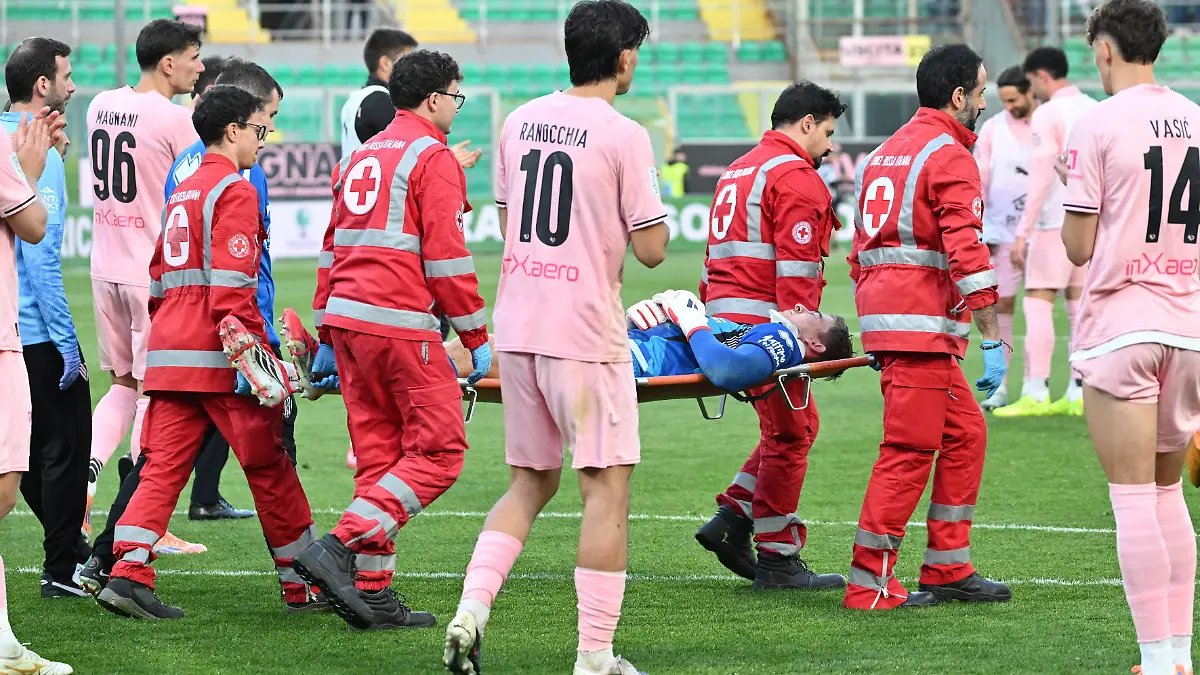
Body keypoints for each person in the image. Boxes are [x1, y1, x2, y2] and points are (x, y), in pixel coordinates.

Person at [441, 4, 668, 673]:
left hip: (518, 326)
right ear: (624, 57)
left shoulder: (518, 121)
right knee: (606, 490)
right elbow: (653, 248)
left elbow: (508, 221)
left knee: (529, 482)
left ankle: (472, 610)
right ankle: (595, 657)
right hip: (584, 332)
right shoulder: (624, 133)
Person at [95, 85, 318, 620]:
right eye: (259, 129)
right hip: (217, 355)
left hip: (170, 350)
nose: (264, 138)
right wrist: (257, 358)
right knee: (269, 465)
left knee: (162, 467)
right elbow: (233, 290)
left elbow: (157, 277)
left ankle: (127, 573)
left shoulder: (184, 189)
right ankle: (302, 584)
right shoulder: (234, 190)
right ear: (233, 130)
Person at [294, 49, 491, 632]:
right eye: (455, 97)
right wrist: (476, 335)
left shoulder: (358, 157)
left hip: (349, 323)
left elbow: (330, 251)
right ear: (433, 99)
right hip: (400, 323)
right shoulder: (433, 156)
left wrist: (326, 332)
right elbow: (448, 259)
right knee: (441, 452)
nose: (456, 107)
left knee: (380, 458)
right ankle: (337, 548)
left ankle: (372, 592)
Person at [844, 43, 1010, 610]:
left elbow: (859, 250)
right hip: (920, 327)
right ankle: (869, 585)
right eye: (981, 93)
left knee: (965, 435)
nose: (984, 104)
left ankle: (947, 567)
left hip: (897, 322)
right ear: (958, 95)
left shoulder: (884, 152)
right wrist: (992, 336)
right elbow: (968, 252)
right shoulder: (950, 155)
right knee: (909, 451)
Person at [1061, 2, 1200, 673]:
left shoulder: (1096, 121)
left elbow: (1078, 246)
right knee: (1170, 494)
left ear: (1105, 50)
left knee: (1134, 498)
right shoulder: (1197, 117)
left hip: (1125, 324)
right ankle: (1176, 658)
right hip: (1190, 326)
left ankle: (1155, 657)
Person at [692, 80, 848, 590]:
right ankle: (778, 557)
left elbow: (712, 261)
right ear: (807, 123)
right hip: (769, 329)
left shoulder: (738, 169)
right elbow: (798, 280)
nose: (829, 146)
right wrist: (802, 346)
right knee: (792, 433)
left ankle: (733, 517)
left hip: (726, 323)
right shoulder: (796, 177)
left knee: (792, 429)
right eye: (828, 133)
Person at [84, 18, 206, 555]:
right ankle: (142, 520)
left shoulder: (99, 104)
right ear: (168, 62)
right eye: (194, 57)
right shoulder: (178, 119)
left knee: (120, 387)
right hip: (151, 273)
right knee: (153, 398)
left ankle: (85, 483)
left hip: (104, 266)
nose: (200, 66)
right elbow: (195, 194)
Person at [164, 58, 290, 521]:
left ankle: (118, 546)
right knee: (276, 439)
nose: (268, 131)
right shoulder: (238, 174)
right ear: (241, 119)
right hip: (231, 328)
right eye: (267, 118)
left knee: (166, 454)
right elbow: (242, 268)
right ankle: (301, 551)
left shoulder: (184, 165)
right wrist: (256, 339)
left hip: (183, 329)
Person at [2, 37, 91, 601]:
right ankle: (61, 567)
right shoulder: (38, 152)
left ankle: (69, 549)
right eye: (66, 75)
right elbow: (40, 255)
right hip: (33, 331)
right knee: (67, 448)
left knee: (28, 453)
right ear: (43, 85)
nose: (73, 86)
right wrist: (66, 340)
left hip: (6, 329)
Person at [0, 98, 71, 675]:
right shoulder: (6, 152)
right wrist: (28, 169)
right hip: (5, 340)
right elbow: (34, 225)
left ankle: (3, 643)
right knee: (4, 488)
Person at [997, 45, 1097, 417]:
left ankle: (1036, 391)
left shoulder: (1048, 113)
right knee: (1079, 308)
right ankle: (1078, 391)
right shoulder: (1094, 108)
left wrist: (1023, 233)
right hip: (1091, 223)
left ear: (1041, 76)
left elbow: (1040, 178)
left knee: (1037, 304)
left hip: (1053, 223)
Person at [442, 295, 854, 382]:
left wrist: (691, 321)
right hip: (627, 348)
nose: (801, 308)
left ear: (816, 346)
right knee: (483, 346)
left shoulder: (783, 341)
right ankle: (422, 368)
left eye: (814, 314)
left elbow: (727, 370)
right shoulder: (769, 336)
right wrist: (652, 320)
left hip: (624, 359)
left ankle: (419, 373)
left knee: (478, 350)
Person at [972, 65, 1037, 411]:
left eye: (1014, 100)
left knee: (1045, 306)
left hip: (1044, 233)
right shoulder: (993, 129)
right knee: (1002, 307)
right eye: (1004, 100)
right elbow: (979, 181)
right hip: (1003, 233)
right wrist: (984, 227)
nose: (1009, 106)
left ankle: (1042, 387)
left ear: (1031, 92)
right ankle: (1000, 388)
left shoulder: (1050, 124)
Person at [340, 28, 480, 170]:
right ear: (385, 63)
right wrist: (445, 159)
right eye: (404, 57)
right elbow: (407, 161)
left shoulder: (355, 99)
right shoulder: (382, 102)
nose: (412, 64)